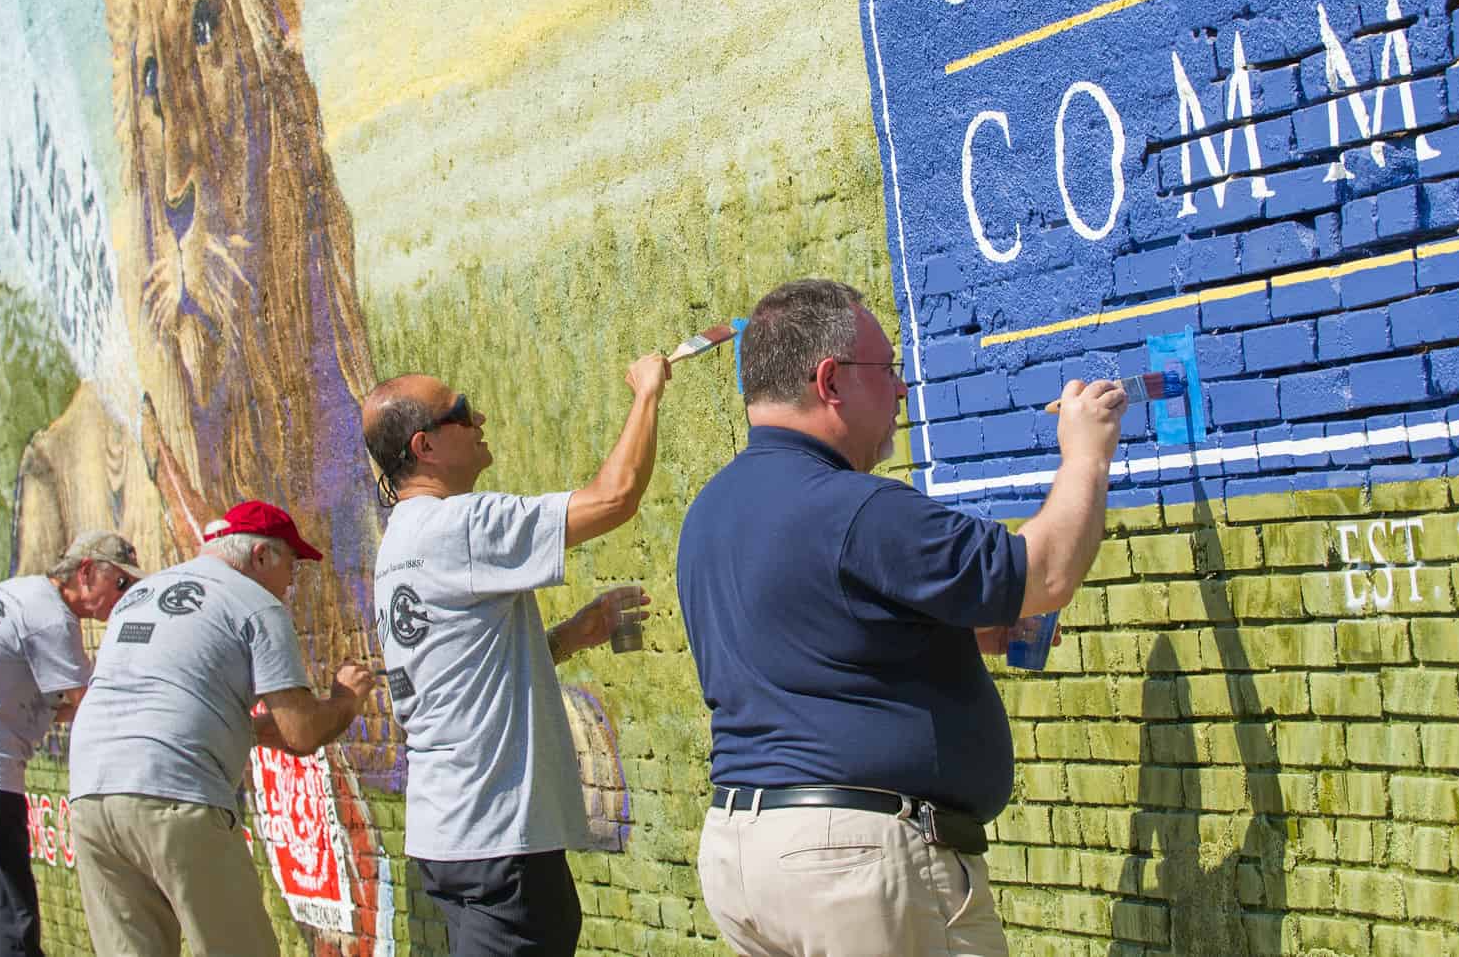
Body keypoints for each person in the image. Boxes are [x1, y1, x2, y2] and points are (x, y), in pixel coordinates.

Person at [677, 278, 1126, 957]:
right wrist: (1086, 453)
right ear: (830, 380)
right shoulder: (858, 508)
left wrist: (962, 629)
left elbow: (813, 636)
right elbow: (1047, 571)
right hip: (853, 865)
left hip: (746, 856)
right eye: (886, 370)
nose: (901, 390)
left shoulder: (708, 513)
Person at [360, 354, 672, 957]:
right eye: (460, 412)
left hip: (456, 835)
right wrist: (647, 393)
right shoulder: (461, 525)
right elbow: (615, 499)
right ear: (424, 446)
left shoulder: (400, 540)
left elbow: (463, 677)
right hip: (497, 839)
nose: (479, 417)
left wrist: (566, 637)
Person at [68, 500, 374, 957]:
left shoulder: (138, 596)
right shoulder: (255, 604)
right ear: (261, 556)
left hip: (91, 799)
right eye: (293, 564)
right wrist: (345, 701)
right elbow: (301, 733)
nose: (292, 582)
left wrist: (245, 728)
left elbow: (168, 702)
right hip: (175, 799)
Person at [0, 532, 142, 956]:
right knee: (11, 915)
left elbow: (51, 702)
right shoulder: (53, 618)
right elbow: (89, 706)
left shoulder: (17, 592)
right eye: (122, 583)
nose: (125, 595)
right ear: (86, 572)